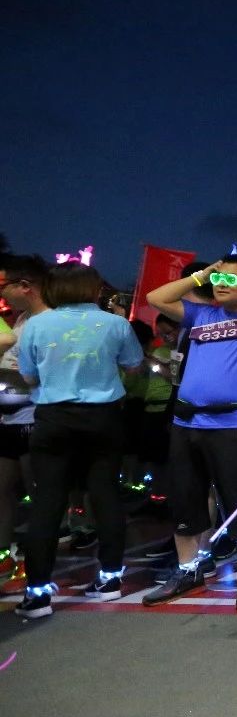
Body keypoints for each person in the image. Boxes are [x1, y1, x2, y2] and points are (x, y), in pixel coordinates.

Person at [141, 252, 237, 605]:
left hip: (234, 424)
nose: (221, 286)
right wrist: (203, 276)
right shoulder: (201, 314)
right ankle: (188, 569)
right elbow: (155, 299)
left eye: (231, 280)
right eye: (218, 280)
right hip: (186, 421)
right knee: (185, 495)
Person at [15, 263, 145, 618]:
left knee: (47, 501)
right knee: (105, 494)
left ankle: (38, 593)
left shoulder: (37, 324)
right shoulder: (116, 324)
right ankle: (110, 579)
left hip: (54, 417)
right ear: (93, 288)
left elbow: (27, 376)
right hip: (104, 417)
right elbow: (134, 365)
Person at [0, 255, 49, 594]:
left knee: (38, 496)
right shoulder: (19, 319)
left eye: (4, 286)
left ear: (25, 286)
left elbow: (45, 374)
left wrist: (8, 375)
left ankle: (35, 565)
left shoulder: (48, 322)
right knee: (2, 492)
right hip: (7, 420)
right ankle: (5, 555)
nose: (2, 294)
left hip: (35, 419)